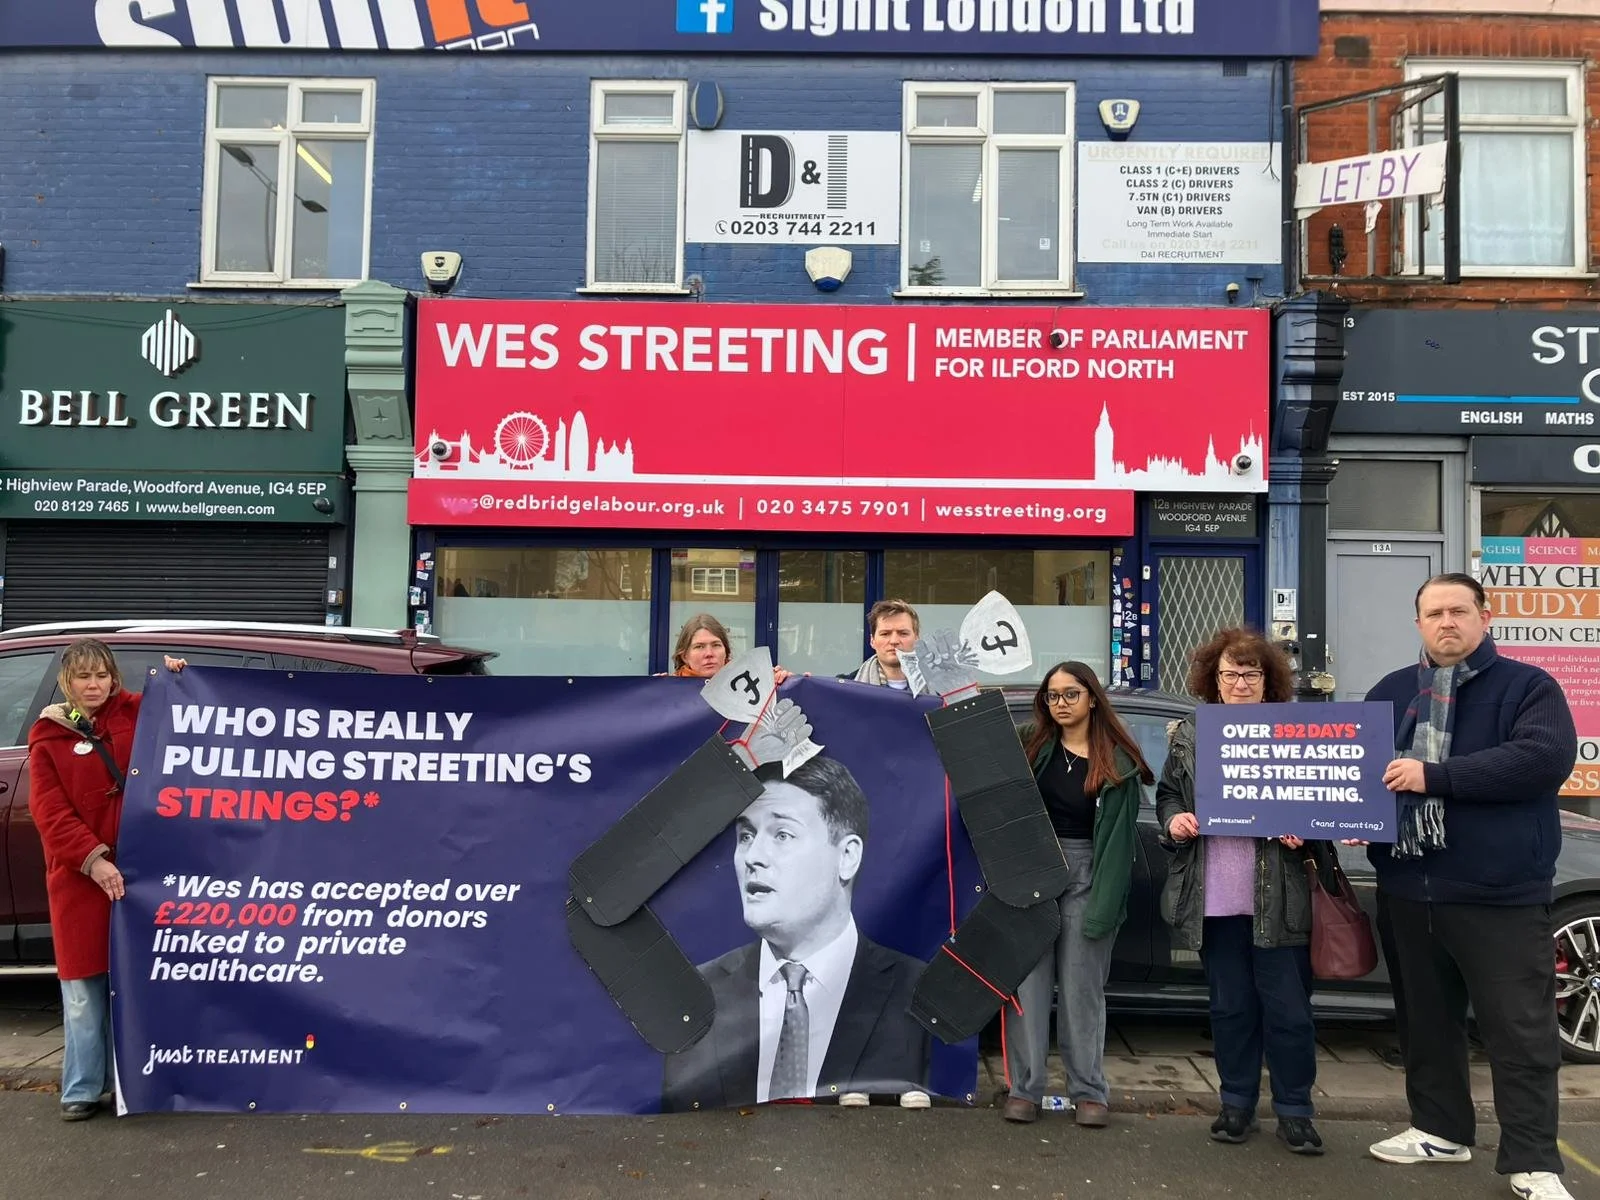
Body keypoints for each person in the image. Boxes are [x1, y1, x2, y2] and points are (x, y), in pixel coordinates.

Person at [1363, 573, 1576, 1200]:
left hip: (1498, 895)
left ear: (1486, 616)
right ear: (1418, 623)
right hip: (1409, 887)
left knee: (1519, 1032)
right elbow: (1356, 769)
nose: (1446, 622)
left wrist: (1435, 775)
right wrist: (1347, 814)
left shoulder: (1528, 686)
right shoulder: (1391, 691)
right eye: (1434, 613)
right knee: (1426, 1024)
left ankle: (1533, 1160)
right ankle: (1439, 1130)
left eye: (1459, 610)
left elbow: (1542, 761)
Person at [661, 755, 930, 1113]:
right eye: (746, 836)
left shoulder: (919, 994)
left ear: (847, 857)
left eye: (782, 835)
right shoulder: (696, 996)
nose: (753, 856)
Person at [1155, 627, 1325, 1155]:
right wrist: (1174, 820)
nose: (1240, 683)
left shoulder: (1298, 732)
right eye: (1230, 673)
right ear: (1214, 679)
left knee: (1289, 1013)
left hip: (1279, 898)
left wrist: (1307, 831)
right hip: (1215, 898)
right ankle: (1236, 1104)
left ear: (1269, 680)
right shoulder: (1191, 732)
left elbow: (1326, 797)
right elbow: (1167, 794)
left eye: (1251, 674)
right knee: (1230, 1010)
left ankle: (1295, 1111)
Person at [28, 638, 184, 1121]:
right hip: (79, 881)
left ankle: (127, 1085)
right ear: (66, 682)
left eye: (101, 675)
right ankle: (80, 1088)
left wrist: (178, 675)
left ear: (114, 679)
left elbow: (186, 712)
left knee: (130, 986)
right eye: (83, 677)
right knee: (82, 991)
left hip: (138, 876)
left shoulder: (138, 710)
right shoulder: (47, 735)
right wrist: (92, 859)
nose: (93, 685)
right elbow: (49, 812)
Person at [1003, 662, 1153, 1127]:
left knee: (1081, 988)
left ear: (1092, 698)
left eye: (1071, 694)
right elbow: (979, 746)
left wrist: (1105, 905)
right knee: (1028, 985)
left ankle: (1088, 1091)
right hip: (1035, 869)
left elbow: (1120, 843)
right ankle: (1024, 1089)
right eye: (1053, 695)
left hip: (1090, 870)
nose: (1061, 703)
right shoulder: (1032, 742)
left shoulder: (1117, 761)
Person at [664, 613, 792, 683]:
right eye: (699, 646)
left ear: (726, 651)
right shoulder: (668, 690)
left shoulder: (754, 684)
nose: (709, 653)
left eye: (716, 645)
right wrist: (656, 688)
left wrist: (788, 683)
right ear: (684, 656)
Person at [841, 599, 919, 692]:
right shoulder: (843, 689)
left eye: (903, 633)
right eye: (885, 634)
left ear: (916, 639)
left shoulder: (935, 690)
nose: (894, 641)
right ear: (872, 641)